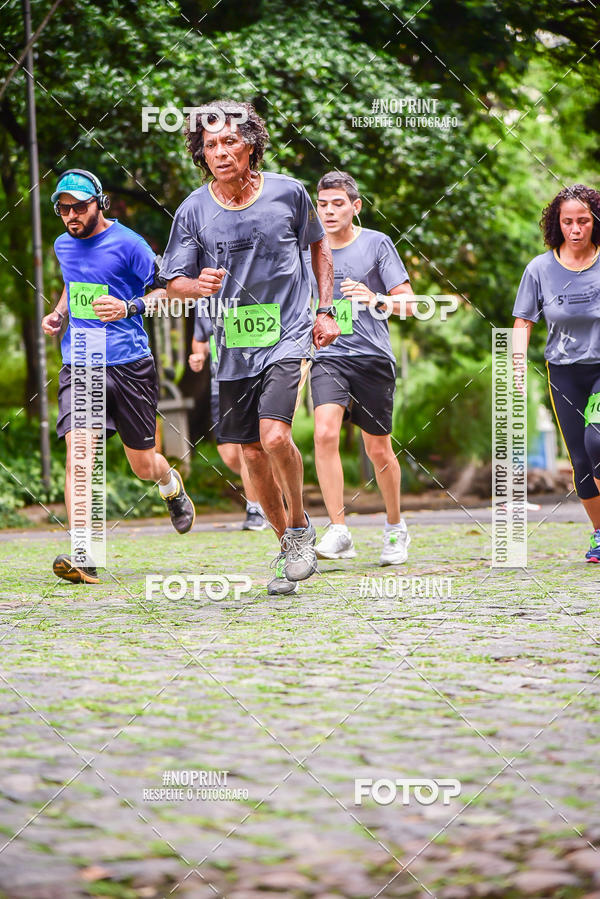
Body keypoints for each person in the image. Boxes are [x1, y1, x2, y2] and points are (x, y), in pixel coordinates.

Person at [160, 100, 338, 595]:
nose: (220, 152)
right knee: (251, 454)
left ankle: (300, 527)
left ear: (252, 145)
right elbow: (173, 280)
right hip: (233, 343)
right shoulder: (193, 210)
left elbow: (318, 244)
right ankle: (288, 546)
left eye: (230, 142)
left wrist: (327, 308)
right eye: (210, 144)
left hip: (287, 331)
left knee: (276, 436)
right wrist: (195, 287)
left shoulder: (288, 193)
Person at [42, 169, 195, 584]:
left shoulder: (130, 244)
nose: (70, 215)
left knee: (142, 465)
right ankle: (85, 553)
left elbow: (166, 292)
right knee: (81, 453)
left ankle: (169, 483)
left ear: (99, 204)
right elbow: (73, 284)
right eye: (63, 208)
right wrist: (60, 313)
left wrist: (128, 308)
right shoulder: (62, 244)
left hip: (130, 364)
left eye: (78, 206)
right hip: (82, 361)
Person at [306, 171, 416, 565]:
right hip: (328, 357)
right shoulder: (310, 249)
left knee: (377, 447)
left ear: (355, 207)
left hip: (372, 358)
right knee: (323, 433)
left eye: (338, 203)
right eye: (323, 204)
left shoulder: (376, 244)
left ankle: (394, 527)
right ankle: (339, 530)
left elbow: (408, 303)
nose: (330, 211)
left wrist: (374, 297)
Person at [513, 183, 600, 563]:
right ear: (557, 224)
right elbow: (522, 323)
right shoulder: (540, 269)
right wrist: (517, 364)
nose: (577, 229)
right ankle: (599, 534)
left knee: (597, 441)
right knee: (581, 460)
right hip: (563, 371)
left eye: (584, 221)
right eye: (568, 222)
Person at [189, 309, 267, 530]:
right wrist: (199, 356)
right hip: (219, 384)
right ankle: (267, 485)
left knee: (247, 449)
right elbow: (200, 339)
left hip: (249, 378)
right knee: (230, 455)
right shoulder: (206, 299)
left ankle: (255, 509)